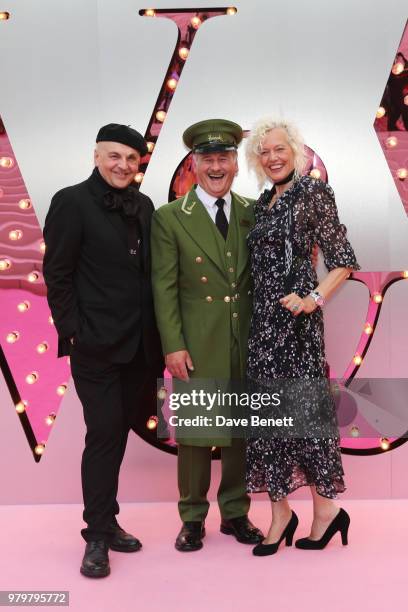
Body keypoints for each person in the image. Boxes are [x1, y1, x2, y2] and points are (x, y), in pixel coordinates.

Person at [43, 123, 164, 577]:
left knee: (115, 433)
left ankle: (108, 521)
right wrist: (74, 331)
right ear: (97, 156)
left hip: (140, 348)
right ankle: (96, 535)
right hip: (94, 346)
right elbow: (57, 273)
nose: (123, 165)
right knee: (104, 431)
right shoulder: (71, 201)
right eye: (115, 156)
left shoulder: (146, 205)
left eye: (132, 159)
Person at [244, 117, 360, 556]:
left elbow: (343, 261)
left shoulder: (313, 193)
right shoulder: (262, 204)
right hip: (263, 330)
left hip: (297, 329)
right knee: (269, 420)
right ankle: (280, 515)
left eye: (280, 149)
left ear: (297, 152)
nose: (273, 157)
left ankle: (326, 511)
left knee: (305, 418)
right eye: (264, 151)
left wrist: (313, 297)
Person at [151, 119, 263, 552]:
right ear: (193, 165)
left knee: (239, 433)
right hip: (196, 341)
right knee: (197, 435)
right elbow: (164, 288)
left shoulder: (255, 211)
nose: (216, 166)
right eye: (207, 159)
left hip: (247, 338)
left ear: (236, 162)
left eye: (224, 157)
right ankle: (193, 517)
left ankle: (235, 513)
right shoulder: (170, 218)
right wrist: (173, 345)